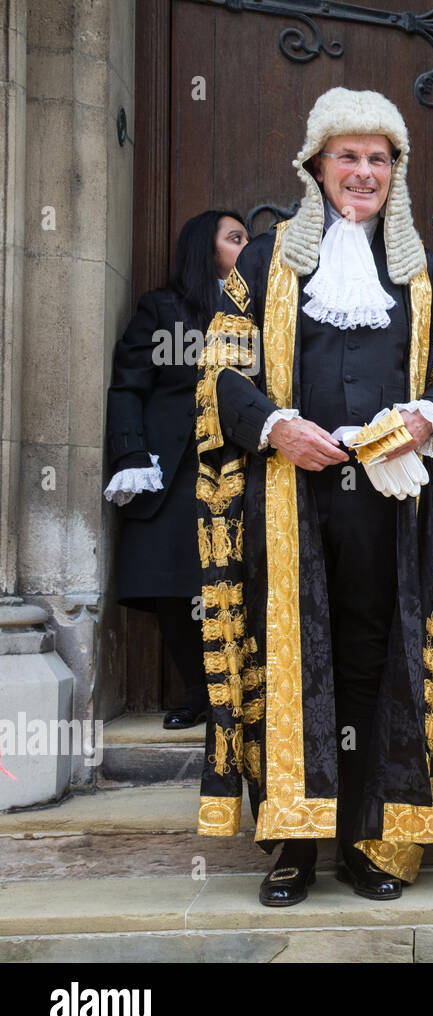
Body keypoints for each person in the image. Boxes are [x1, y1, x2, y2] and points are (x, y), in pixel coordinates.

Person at [193, 88, 433, 907]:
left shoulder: (424, 274)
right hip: (291, 502)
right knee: (294, 659)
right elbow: (222, 372)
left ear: (397, 173)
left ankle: (369, 838)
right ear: (316, 165)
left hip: (392, 504)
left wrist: (426, 418)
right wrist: (276, 426)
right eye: (348, 155)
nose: (364, 172)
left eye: (379, 159)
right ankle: (294, 846)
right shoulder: (267, 264)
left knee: (375, 662)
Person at [104, 209, 249, 730]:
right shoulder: (162, 308)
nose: (245, 247)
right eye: (235, 239)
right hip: (177, 464)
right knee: (175, 581)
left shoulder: (263, 309)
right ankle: (198, 693)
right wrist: (131, 455)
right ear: (203, 248)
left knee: (241, 580)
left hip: (243, 462)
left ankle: (246, 694)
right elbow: (128, 386)